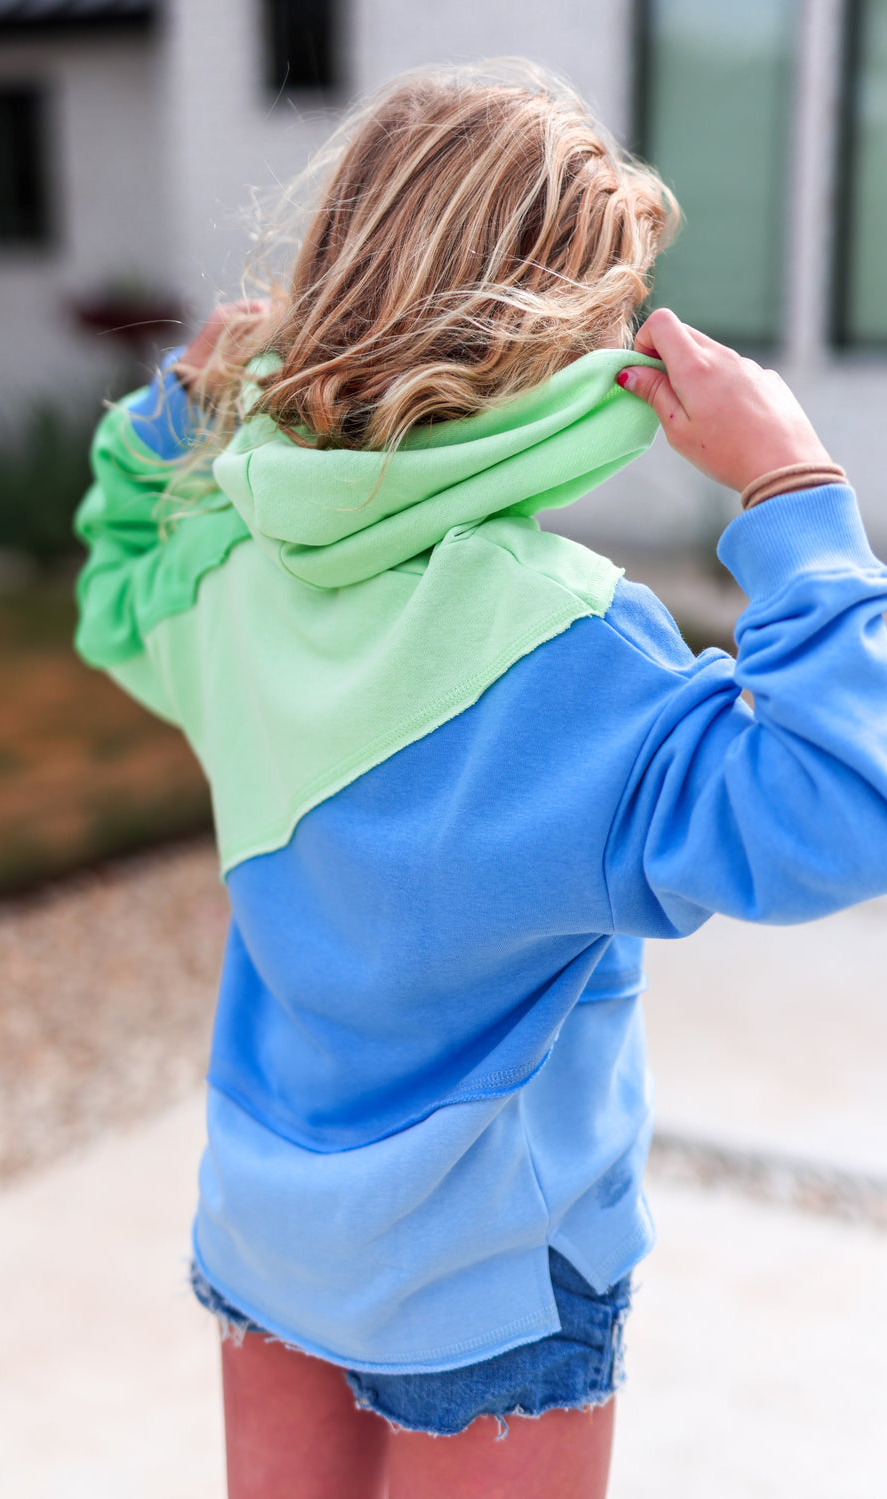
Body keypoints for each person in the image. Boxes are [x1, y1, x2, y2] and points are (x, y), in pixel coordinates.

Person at [74, 61, 887, 1499]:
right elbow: (846, 800)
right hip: (492, 1277)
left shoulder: (235, 583)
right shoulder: (578, 652)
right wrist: (795, 493)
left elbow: (120, 580)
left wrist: (171, 416)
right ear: (558, 352)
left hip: (274, 1227)